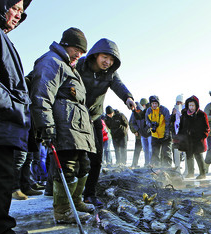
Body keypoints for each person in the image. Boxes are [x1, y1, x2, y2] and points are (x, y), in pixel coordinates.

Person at [0, 0, 38, 234]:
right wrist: (15, 103)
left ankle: (3, 229)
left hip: (7, 120)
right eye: (14, 8)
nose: (18, 15)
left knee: (3, 179)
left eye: (21, 11)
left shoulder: (1, 35)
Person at [29, 27, 96, 223]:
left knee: (83, 166)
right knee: (66, 168)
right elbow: (41, 95)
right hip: (64, 128)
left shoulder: (68, 66)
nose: (80, 55)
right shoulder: (52, 62)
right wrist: (46, 126)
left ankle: (76, 201)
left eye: (83, 52)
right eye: (78, 50)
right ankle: (63, 210)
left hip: (78, 130)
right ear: (67, 44)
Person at [76, 38, 135, 204]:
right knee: (75, 156)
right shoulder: (81, 65)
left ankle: (89, 194)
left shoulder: (111, 73)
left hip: (94, 116)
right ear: (96, 55)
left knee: (97, 157)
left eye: (111, 60)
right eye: (105, 57)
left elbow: (119, 85)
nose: (107, 62)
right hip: (76, 116)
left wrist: (128, 98)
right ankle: (59, 189)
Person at [176, 96, 209, 179]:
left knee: (198, 156)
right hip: (187, 139)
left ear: (196, 105)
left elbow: (206, 128)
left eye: (193, 105)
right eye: (190, 105)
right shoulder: (184, 114)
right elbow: (181, 127)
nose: (191, 107)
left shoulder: (201, 114)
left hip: (198, 139)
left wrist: (202, 137)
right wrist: (180, 137)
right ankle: (191, 173)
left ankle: (202, 173)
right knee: (189, 156)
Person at [146, 95, 172, 168]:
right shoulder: (148, 111)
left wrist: (167, 133)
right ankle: (155, 168)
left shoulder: (164, 110)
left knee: (166, 153)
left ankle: (167, 167)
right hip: (155, 135)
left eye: (156, 103)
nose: (154, 105)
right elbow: (147, 121)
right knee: (155, 154)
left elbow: (168, 122)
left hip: (164, 135)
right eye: (153, 103)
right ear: (150, 104)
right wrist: (150, 124)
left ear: (158, 103)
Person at [170, 94, 184, 171]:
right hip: (175, 135)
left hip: (183, 135)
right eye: (177, 102)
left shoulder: (185, 110)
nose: (178, 104)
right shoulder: (174, 110)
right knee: (175, 150)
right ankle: (176, 165)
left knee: (182, 151)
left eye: (180, 102)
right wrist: (173, 114)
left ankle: (181, 164)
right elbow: (170, 121)